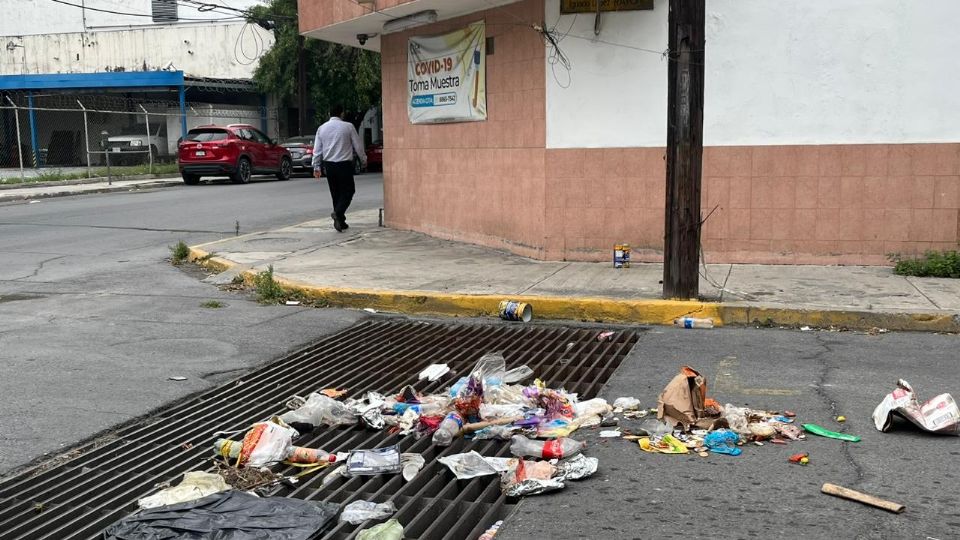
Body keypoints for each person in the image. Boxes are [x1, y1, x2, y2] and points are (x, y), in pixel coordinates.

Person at [312, 104, 366, 232]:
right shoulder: (348, 127)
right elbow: (358, 145)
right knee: (348, 191)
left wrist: (316, 166)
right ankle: (338, 213)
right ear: (341, 113)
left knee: (335, 193)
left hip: (329, 165)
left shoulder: (322, 128)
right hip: (344, 164)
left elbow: (317, 150)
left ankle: (340, 221)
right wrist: (363, 159)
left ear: (329, 114)